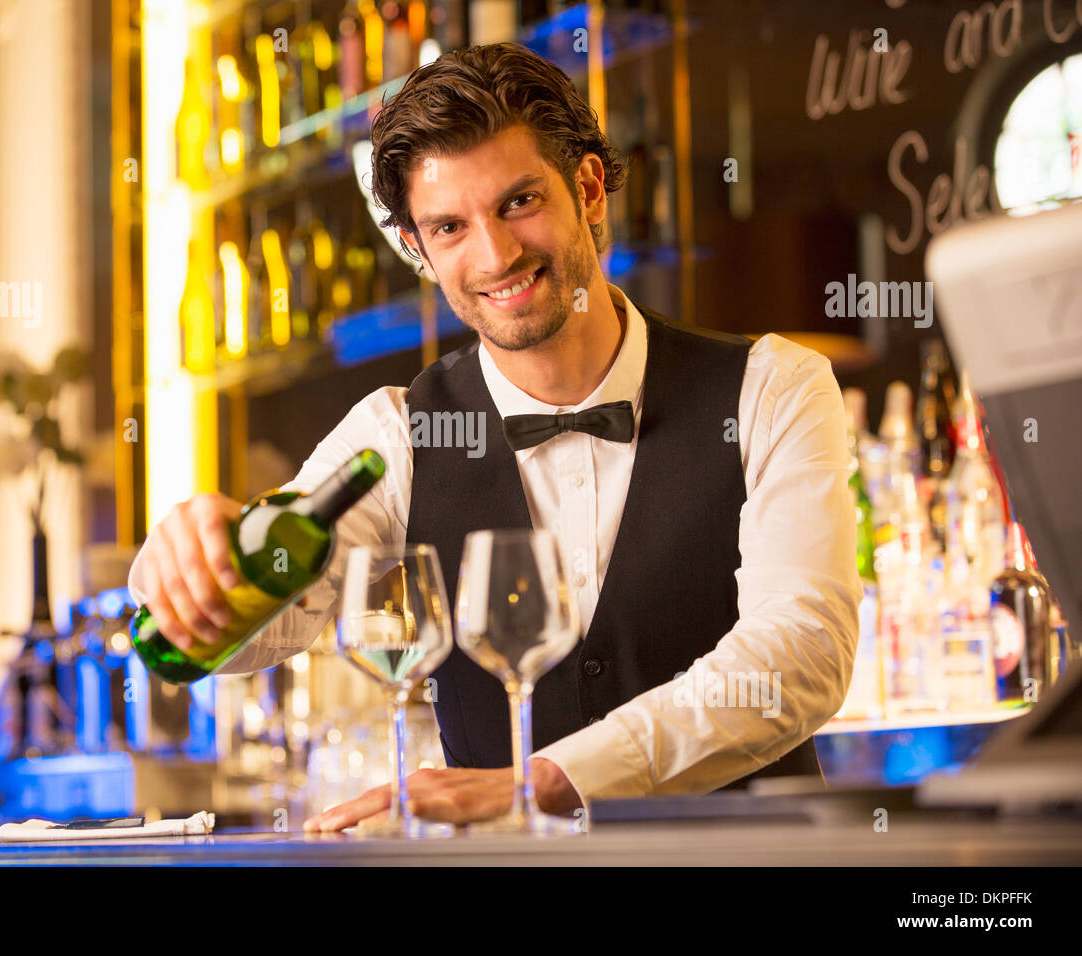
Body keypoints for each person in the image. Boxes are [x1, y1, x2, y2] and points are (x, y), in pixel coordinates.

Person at [127, 42, 861, 831]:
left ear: (586, 187)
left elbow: (802, 652)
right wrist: (186, 581)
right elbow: (277, 616)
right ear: (418, 248)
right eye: (449, 227)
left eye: (518, 202)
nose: (495, 256)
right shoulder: (397, 434)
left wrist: (548, 780)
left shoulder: (774, 389)